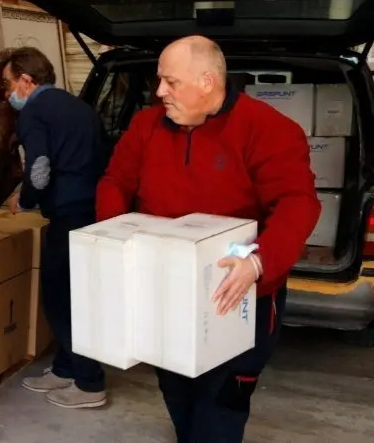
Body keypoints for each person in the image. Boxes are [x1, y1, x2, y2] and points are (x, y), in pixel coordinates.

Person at [97, 35, 321, 442]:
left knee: (221, 406)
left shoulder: (268, 129)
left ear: (207, 82)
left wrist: (258, 263)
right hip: (165, 292)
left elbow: (297, 204)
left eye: (170, 82)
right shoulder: (146, 126)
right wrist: (116, 240)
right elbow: (116, 181)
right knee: (176, 389)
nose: (160, 91)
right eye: (159, 81)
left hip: (238, 295)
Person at [2, 47, 110, 409]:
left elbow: (40, 167)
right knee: (81, 293)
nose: (8, 93)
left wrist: (26, 199)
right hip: (93, 210)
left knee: (62, 298)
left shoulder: (34, 110)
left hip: (66, 215)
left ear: (27, 80)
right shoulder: (79, 106)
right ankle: (65, 368)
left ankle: (89, 383)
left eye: (9, 83)